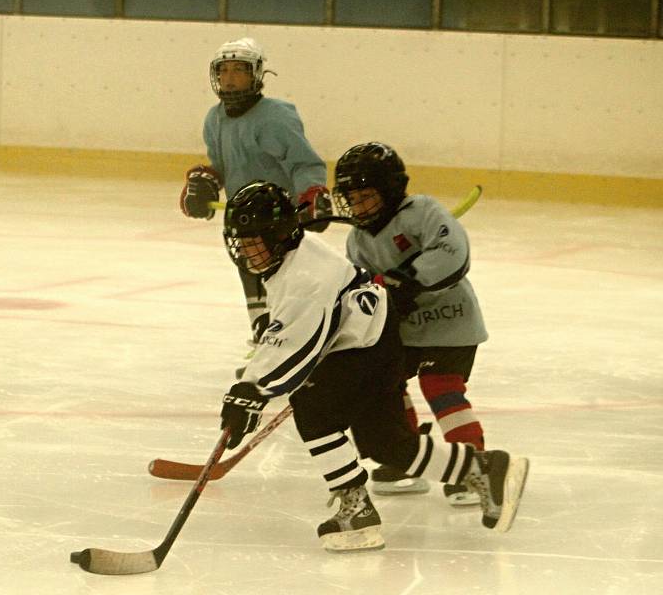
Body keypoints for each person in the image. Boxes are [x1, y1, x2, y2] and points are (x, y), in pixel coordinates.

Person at [218, 180, 529, 552]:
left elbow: (294, 344)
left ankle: (355, 504)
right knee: (386, 443)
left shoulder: (307, 276)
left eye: (255, 241)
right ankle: (483, 469)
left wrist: (251, 391)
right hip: (371, 343)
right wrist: (253, 387)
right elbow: (290, 332)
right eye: (241, 241)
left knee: (314, 410)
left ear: (280, 234)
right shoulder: (292, 256)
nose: (247, 251)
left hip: (364, 350)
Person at [332, 142, 488, 506]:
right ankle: (408, 458)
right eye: (351, 199)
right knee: (386, 384)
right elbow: (363, 289)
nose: (357, 207)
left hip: (451, 321)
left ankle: (473, 465)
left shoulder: (422, 212)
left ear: (389, 190)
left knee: (441, 386)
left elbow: (453, 252)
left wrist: (407, 280)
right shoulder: (357, 241)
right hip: (404, 329)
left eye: (366, 196)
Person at [178, 37, 331, 350]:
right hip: (243, 216)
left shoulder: (276, 117)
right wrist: (208, 179)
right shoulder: (214, 118)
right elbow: (223, 164)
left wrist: (312, 193)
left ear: (257, 74)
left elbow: (304, 163)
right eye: (224, 71)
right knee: (250, 273)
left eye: (239, 70)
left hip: (279, 216)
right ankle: (264, 336)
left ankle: (289, 338)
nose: (230, 78)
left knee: (282, 280)